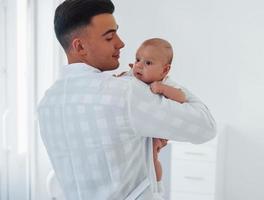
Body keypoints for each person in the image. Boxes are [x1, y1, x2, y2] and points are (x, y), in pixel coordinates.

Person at [37, 0, 217, 199]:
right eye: (109, 37)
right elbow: (206, 127)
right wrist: (163, 79)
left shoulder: (46, 104)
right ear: (80, 47)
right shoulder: (125, 92)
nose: (121, 43)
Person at [117, 38, 187, 199]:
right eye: (137, 60)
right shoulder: (133, 79)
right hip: (137, 129)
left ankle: (157, 186)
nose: (139, 65)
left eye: (148, 63)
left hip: (155, 131)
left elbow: (182, 97)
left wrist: (163, 89)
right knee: (137, 156)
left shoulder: (165, 82)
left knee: (153, 155)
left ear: (164, 70)